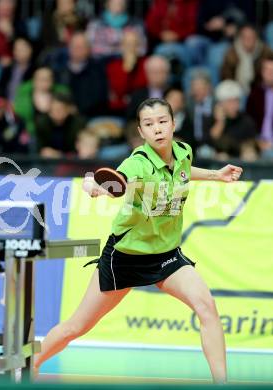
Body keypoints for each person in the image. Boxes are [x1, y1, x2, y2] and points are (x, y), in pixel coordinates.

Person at [33, 97, 244, 384]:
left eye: (162, 121)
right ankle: (31, 363)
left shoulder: (183, 152)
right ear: (141, 132)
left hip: (167, 255)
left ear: (173, 123)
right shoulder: (138, 163)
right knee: (77, 326)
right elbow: (117, 180)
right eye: (149, 124)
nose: (157, 128)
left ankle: (223, 384)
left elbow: (181, 174)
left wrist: (215, 175)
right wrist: (96, 187)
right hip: (125, 257)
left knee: (206, 305)